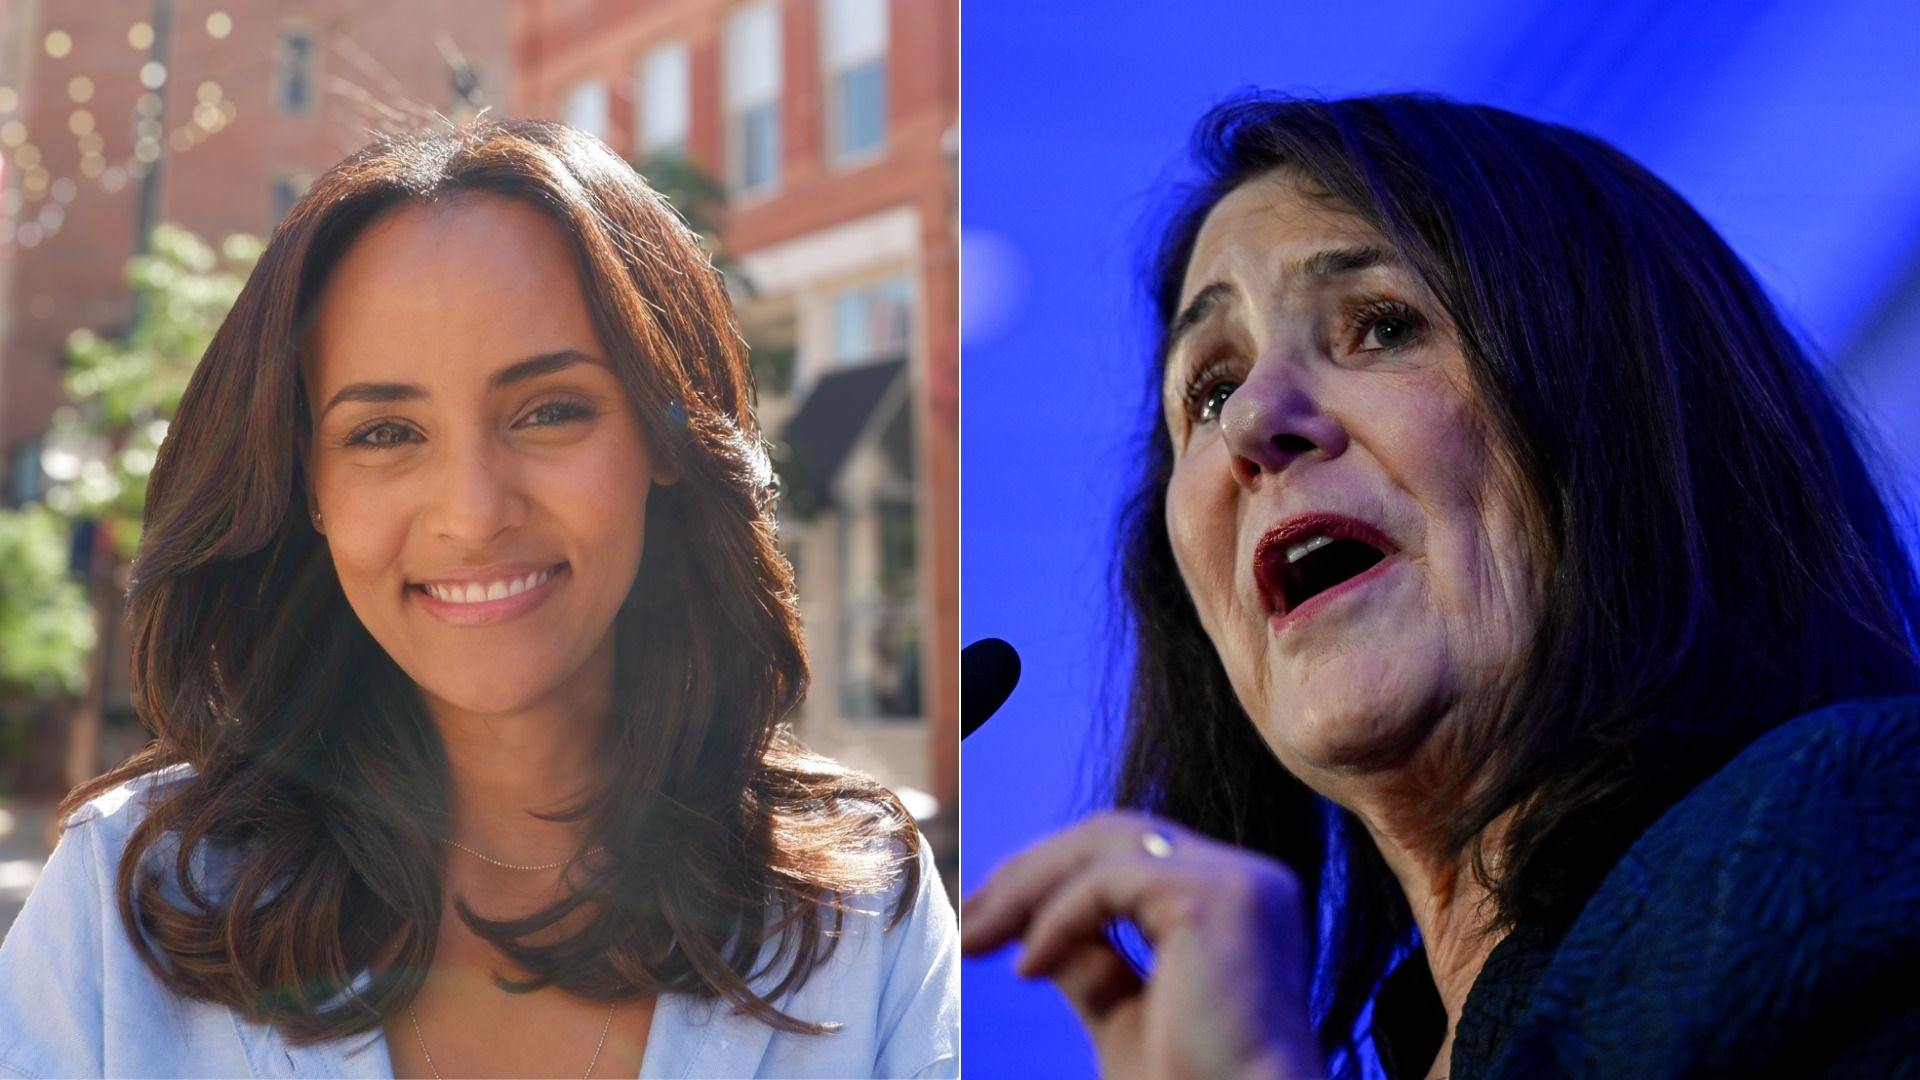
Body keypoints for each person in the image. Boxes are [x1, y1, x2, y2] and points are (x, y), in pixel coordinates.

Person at [961, 93, 1920, 1079]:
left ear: (1627, 416)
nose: (1251, 419)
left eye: (1382, 327)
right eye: (1209, 392)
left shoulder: (1863, 823)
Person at [0, 119, 958, 1079]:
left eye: (550, 412)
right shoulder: (124, 905)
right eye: (385, 432)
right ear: (308, 488)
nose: (472, 514)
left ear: (664, 441)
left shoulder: (861, 915)